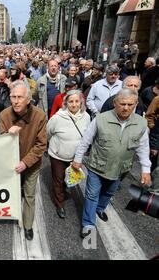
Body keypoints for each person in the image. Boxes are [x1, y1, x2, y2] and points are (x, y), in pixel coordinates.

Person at [72, 89, 151, 238]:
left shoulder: (141, 123)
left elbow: (143, 147)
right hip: (97, 167)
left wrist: (145, 169)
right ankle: (88, 224)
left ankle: (100, 208)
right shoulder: (101, 119)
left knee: (109, 192)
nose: (126, 108)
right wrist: (77, 159)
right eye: (122, 104)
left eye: (130, 104)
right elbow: (85, 141)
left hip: (120, 169)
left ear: (136, 105)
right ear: (115, 103)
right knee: (92, 195)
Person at [0, 81, 47, 241]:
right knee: (12, 191)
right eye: (13, 96)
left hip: (31, 164)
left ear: (28, 100)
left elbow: (41, 145)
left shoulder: (39, 115)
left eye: (20, 97)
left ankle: (27, 225)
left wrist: (25, 162)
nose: (16, 100)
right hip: (11, 164)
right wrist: (8, 136)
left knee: (29, 195)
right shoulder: (4, 115)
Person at [47, 90, 90, 218]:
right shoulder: (57, 118)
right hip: (58, 155)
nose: (74, 104)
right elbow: (47, 133)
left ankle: (62, 191)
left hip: (75, 157)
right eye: (71, 101)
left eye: (77, 101)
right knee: (58, 179)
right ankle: (59, 204)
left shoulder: (87, 117)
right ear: (66, 103)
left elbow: (87, 137)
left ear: (81, 102)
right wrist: (57, 147)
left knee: (68, 178)